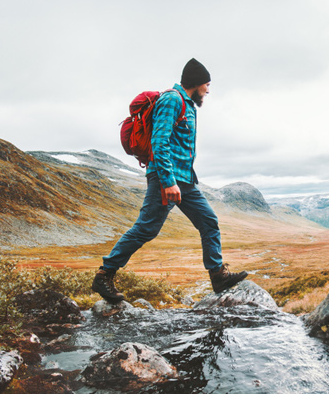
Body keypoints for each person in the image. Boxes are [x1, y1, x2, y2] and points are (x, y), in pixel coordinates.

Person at [92, 58, 247, 304]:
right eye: (207, 84)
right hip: (167, 178)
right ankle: (104, 274)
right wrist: (167, 181)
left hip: (185, 180)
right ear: (196, 83)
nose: (208, 89)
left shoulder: (188, 105)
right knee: (146, 228)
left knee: (208, 221)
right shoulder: (172, 100)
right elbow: (159, 141)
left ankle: (217, 275)